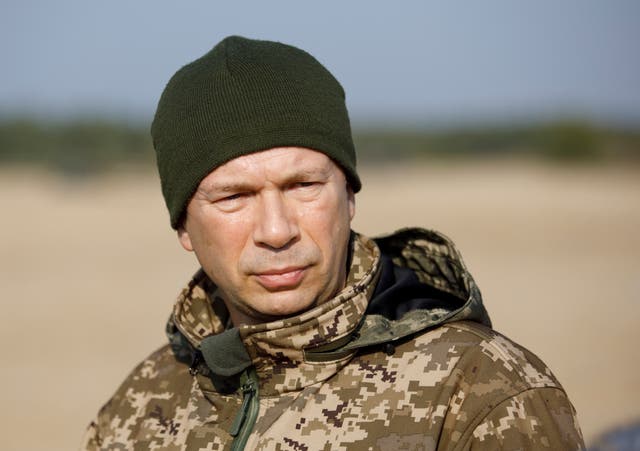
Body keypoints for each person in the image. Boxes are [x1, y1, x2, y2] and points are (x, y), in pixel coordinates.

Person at [82, 36, 584, 450]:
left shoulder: (478, 391)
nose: (277, 231)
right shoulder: (143, 403)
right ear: (184, 228)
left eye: (303, 186)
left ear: (349, 196)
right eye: (234, 197)